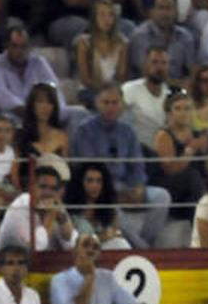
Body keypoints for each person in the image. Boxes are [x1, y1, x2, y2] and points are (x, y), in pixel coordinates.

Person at [71, 84, 172, 248]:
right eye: (106, 102)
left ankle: (146, 241)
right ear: (97, 103)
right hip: (97, 189)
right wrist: (115, 190)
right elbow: (89, 169)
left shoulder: (128, 131)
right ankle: (143, 250)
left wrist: (138, 186)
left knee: (162, 197)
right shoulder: (85, 131)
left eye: (115, 102)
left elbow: (137, 164)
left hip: (126, 186)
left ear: (122, 105)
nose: (111, 107)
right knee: (113, 208)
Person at [150, 90, 208, 232]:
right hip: (170, 188)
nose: (183, 112)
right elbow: (170, 169)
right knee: (192, 175)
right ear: (169, 112)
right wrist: (190, 150)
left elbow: (207, 170)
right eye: (178, 108)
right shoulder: (163, 135)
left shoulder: (198, 134)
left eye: (187, 108)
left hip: (192, 193)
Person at [49, 233, 146, 304]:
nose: (90, 250)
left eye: (95, 247)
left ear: (99, 255)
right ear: (74, 251)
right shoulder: (59, 280)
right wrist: (89, 277)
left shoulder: (108, 278)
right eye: (85, 245)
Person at [0, 25, 68, 122]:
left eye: (23, 46)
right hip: (12, 113)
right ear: (6, 45)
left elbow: (54, 88)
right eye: (15, 46)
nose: (19, 51)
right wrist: (30, 112)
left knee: (77, 113)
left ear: (29, 46)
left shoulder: (39, 62)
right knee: (7, 119)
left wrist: (55, 111)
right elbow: (0, 96)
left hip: (41, 113)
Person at [127, 0, 195, 90]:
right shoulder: (140, 35)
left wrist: (189, 83)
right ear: (151, 11)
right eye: (161, 8)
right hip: (146, 89)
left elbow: (193, 70)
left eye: (169, 8)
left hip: (179, 92)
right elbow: (146, 72)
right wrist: (179, 84)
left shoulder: (185, 37)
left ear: (175, 11)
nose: (165, 13)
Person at [74, 0, 129, 109]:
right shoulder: (84, 43)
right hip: (90, 90)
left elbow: (121, 76)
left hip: (114, 90)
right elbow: (85, 79)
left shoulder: (122, 42)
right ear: (94, 18)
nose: (107, 19)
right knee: (105, 103)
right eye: (102, 15)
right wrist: (105, 92)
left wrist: (112, 92)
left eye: (110, 15)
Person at [120, 47, 171, 149]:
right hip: (135, 149)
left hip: (162, 151)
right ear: (145, 65)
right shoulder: (130, 89)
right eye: (154, 62)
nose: (159, 67)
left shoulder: (170, 94)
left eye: (164, 63)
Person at [66, 161, 126, 246]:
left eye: (99, 181)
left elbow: (116, 233)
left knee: (121, 242)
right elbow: (72, 242)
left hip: (107, 252)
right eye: (90, 181)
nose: (95, 185)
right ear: (80, 183)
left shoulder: (110, 210)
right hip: (80, 254)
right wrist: (101, 237)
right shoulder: (71, 211)